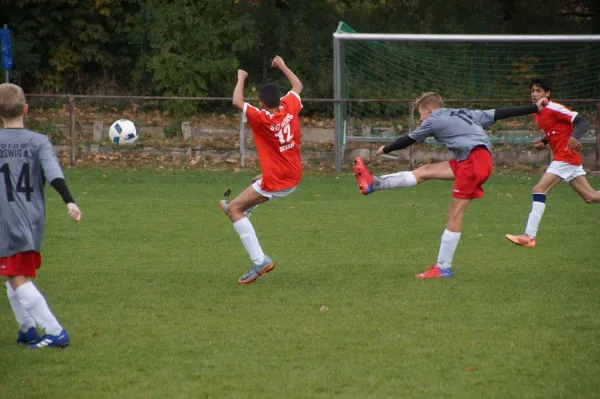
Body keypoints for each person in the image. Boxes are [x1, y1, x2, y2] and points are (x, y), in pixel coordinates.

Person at [353, 91, 547, 279]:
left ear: (429, 108)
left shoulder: (434, 119)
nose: (421, 120)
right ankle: (373, 183)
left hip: (472, 163)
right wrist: (533, 108)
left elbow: (409, 139)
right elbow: (501, 113)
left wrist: (385, 148)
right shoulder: (464, 112)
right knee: (426, 171)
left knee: (454, 214)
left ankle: (442, 268)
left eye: (420, 115)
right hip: (476, 159)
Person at [0, 83, 81, 348]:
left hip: (8, 220)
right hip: (31, 219)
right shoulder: (39, 142)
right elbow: (54, 175)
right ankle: (27, 329)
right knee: (12, 275)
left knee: (16, 276)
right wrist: (69, 201)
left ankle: (55, 331)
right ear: (26, 109)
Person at [220, 56, 303, 284]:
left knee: (233, 210)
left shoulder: (262, 118)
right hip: (291, 175)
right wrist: (284, 66)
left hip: (277, 180)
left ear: (262, 103)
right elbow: (298, 86)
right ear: (280, 98)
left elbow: (237, 101)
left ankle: (260, 262)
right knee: (252, 187)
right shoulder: (289, 107)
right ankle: (243, 210)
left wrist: (240, 78)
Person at [505, 77, 599, 247]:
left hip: (565, 156)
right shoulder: (537, 111)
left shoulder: (554, 107)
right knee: (590, 197)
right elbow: (555, 129)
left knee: (539, 189)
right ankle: (529, 236)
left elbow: (582, 122)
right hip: (566, 157)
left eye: (538, 90)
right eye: (532, 91)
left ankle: (529, 236)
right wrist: (544, 141)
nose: (534, 94)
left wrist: (574, 137)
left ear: (547, 93)